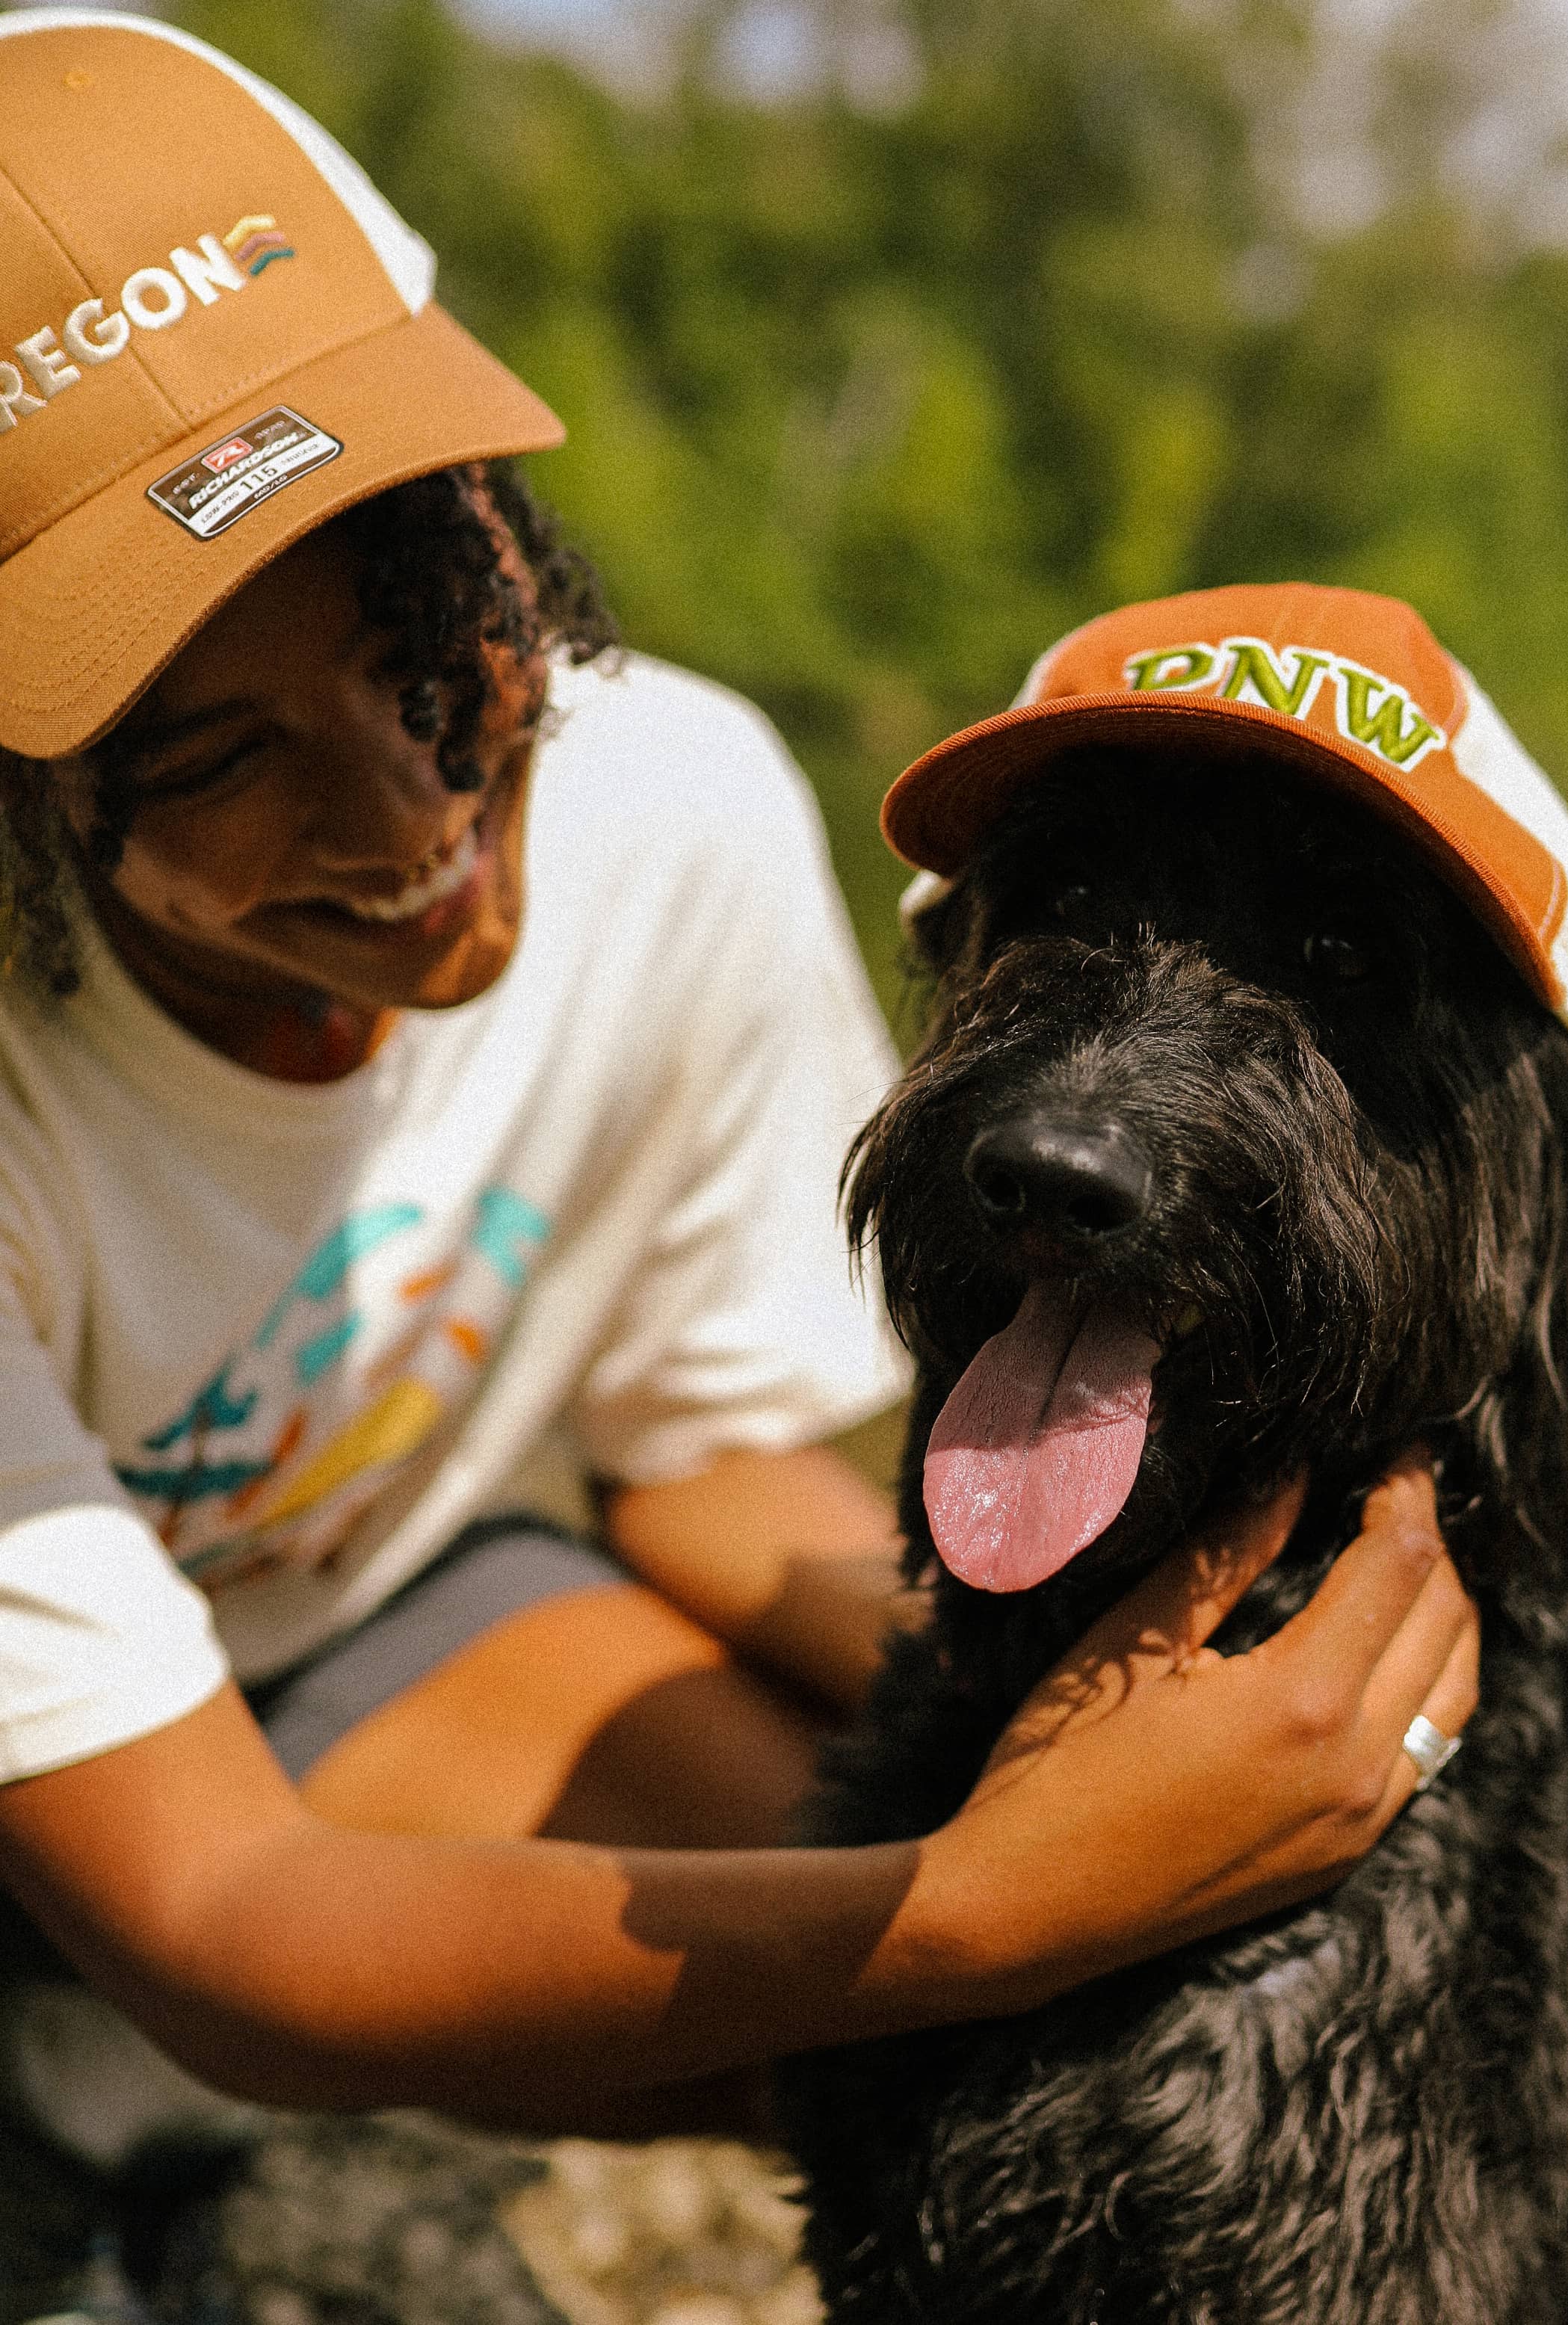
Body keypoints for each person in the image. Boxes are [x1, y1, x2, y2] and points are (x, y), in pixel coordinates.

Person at [0, 3, 1476, 2245]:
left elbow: (691, 1443)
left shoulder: (671, 805)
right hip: (132, 1805)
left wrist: (1146, 1701)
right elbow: (219, 1907)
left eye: (431, 617)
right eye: (213, 755)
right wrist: (978, 1903)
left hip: (345, 1622)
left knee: (1067, 2027)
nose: (415, 813)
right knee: (954, 1965)